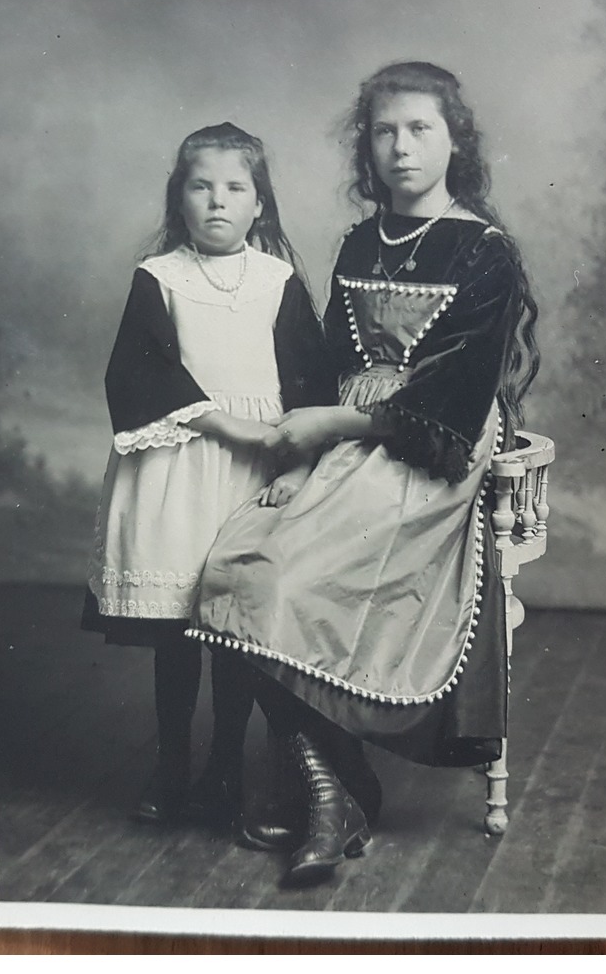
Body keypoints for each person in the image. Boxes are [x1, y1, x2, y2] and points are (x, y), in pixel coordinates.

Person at [189, 62, 540, 886]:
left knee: (291, 583)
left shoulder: (485, 252)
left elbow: (451, 403)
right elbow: (319, 368)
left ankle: (326, 792)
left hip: (427, 459)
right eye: (384, 131)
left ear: (455, 140)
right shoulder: (359, 239)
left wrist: (334, 427)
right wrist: (300, 453)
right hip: (341, 448)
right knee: (235, 567)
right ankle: (334, 789)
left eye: (419, 128)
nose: (400, 147)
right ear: (366, 147)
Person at [82, 122, 329, 830]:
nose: (217, 202)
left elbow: (312, 385)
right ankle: (171, 764)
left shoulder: (278, 282)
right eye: (201, 186)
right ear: (178, 199)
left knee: (234, 629)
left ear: (260, 204)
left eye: (234, 188)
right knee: (176, 633)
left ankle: (226, 767)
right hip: (180, 464)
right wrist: (226, 423)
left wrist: (295, 462)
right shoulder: (160, 278)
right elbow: (139, 374)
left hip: (252, 476)